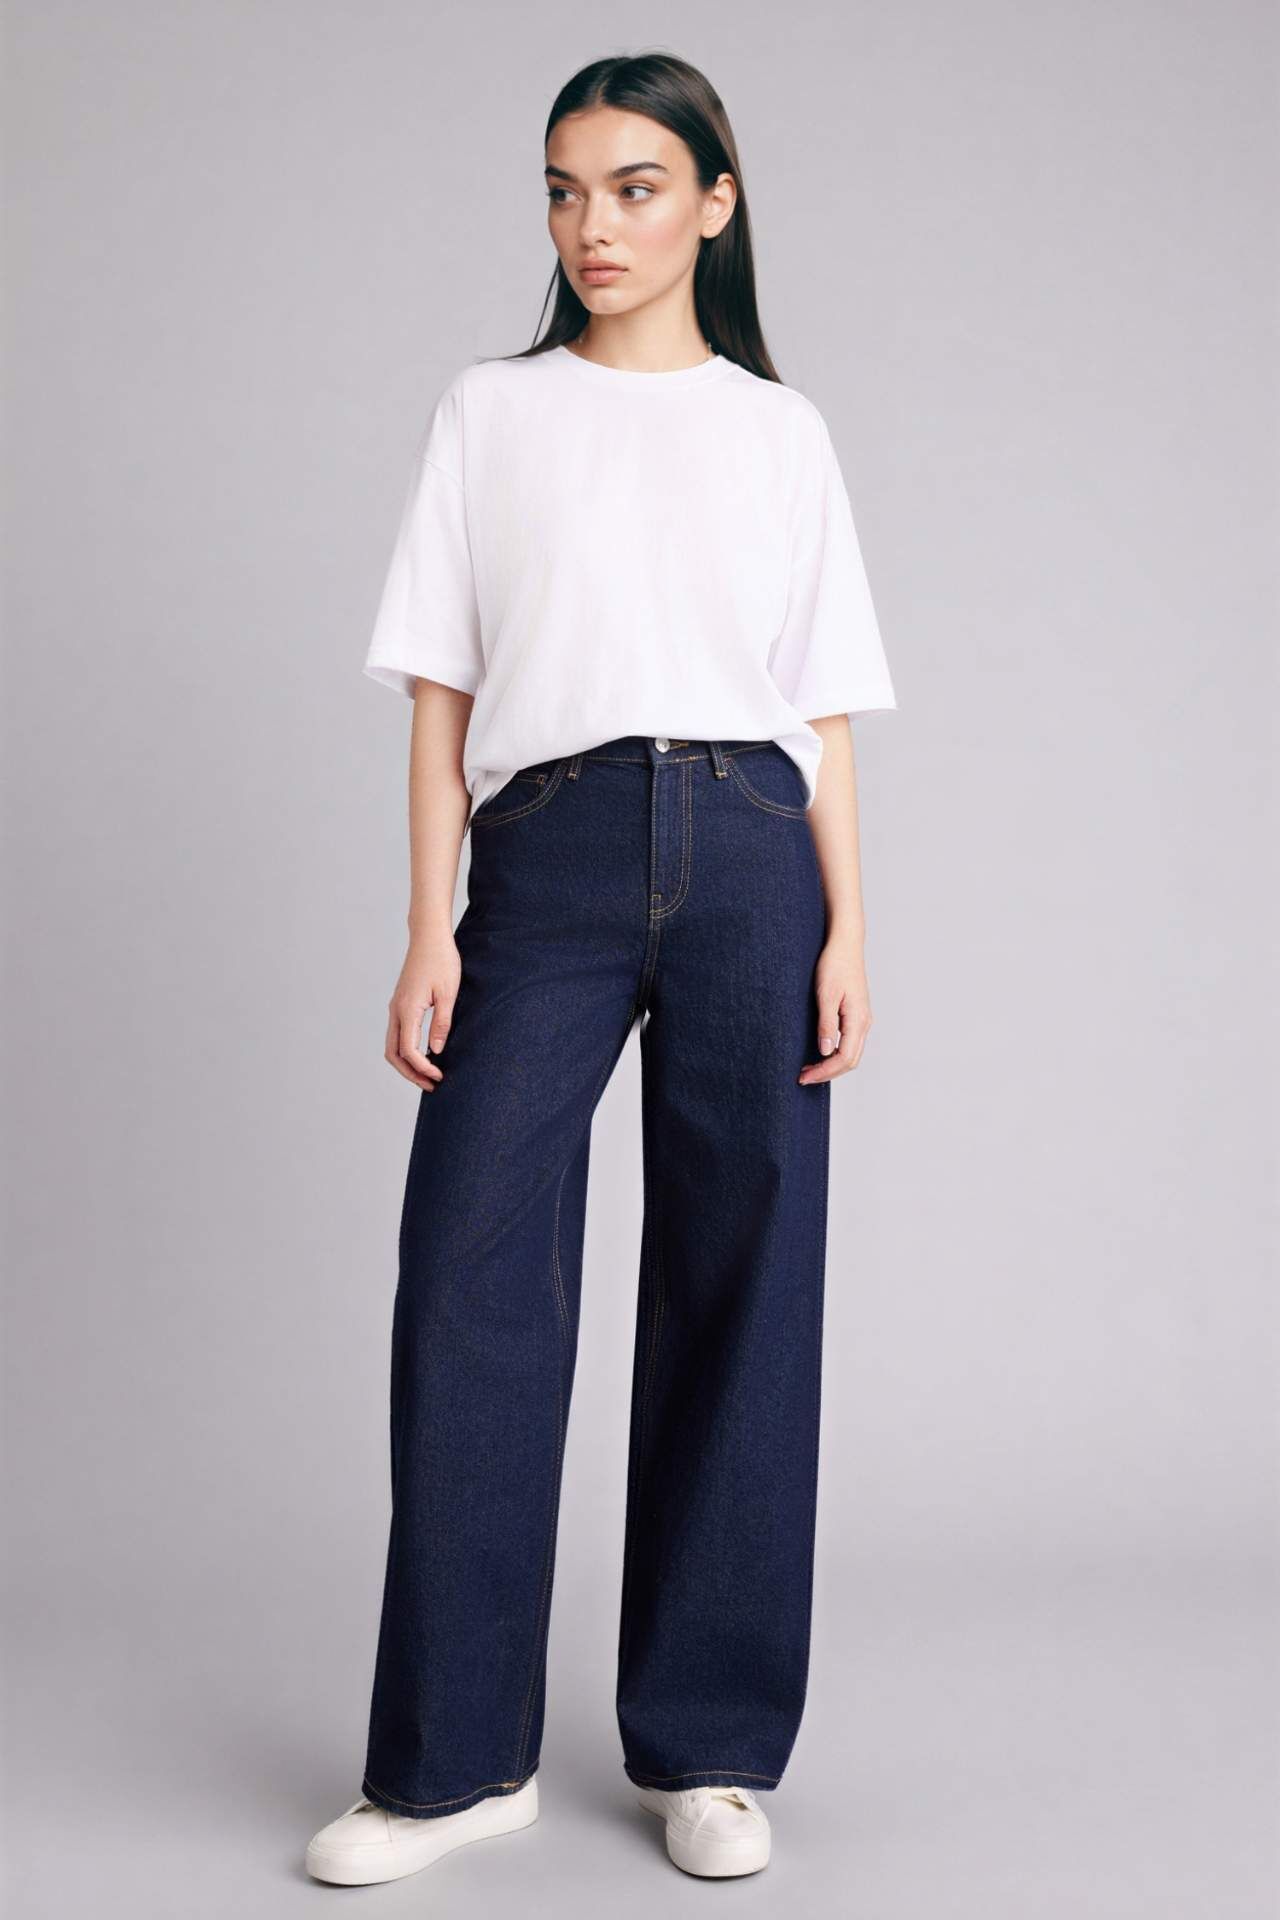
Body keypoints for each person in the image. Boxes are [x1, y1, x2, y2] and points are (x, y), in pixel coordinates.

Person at [306, 49, 897, 1888]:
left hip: (750, 851)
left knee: (743, 1284)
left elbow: (820, 706)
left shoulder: (780, 433)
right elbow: (442, 693)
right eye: (565, 190)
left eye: (635, 188)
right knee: (468, 1279)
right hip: (547, 857)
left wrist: (851, 925)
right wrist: (429, 923)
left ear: (716, 202)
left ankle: (710, 1748)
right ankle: (451, 1763)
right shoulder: (493, 412)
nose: (594, 227)